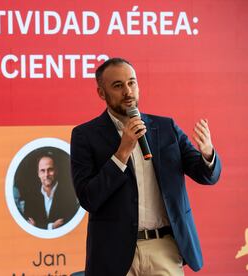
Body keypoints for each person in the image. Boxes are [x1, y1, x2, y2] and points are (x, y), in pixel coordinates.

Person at [70, 58, 221, 275]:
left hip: (164, 248)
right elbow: (88, 198)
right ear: (101, 93)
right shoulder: (85, 136)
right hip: (114, 254)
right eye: (118, 85)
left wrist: (207, 154)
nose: (128, 91)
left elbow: (206, 175)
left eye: (132, 83)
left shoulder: (166, 127)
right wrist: (122, 152)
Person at [24, 153, 79, 230]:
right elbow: (29, 225)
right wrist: (51, 226)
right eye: (42, 171)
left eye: (50, 170)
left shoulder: (69, 194)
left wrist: (38, 225)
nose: (46, 175)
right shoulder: (30, 197)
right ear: (38, 174)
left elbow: (67, 224)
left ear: (56, 171)